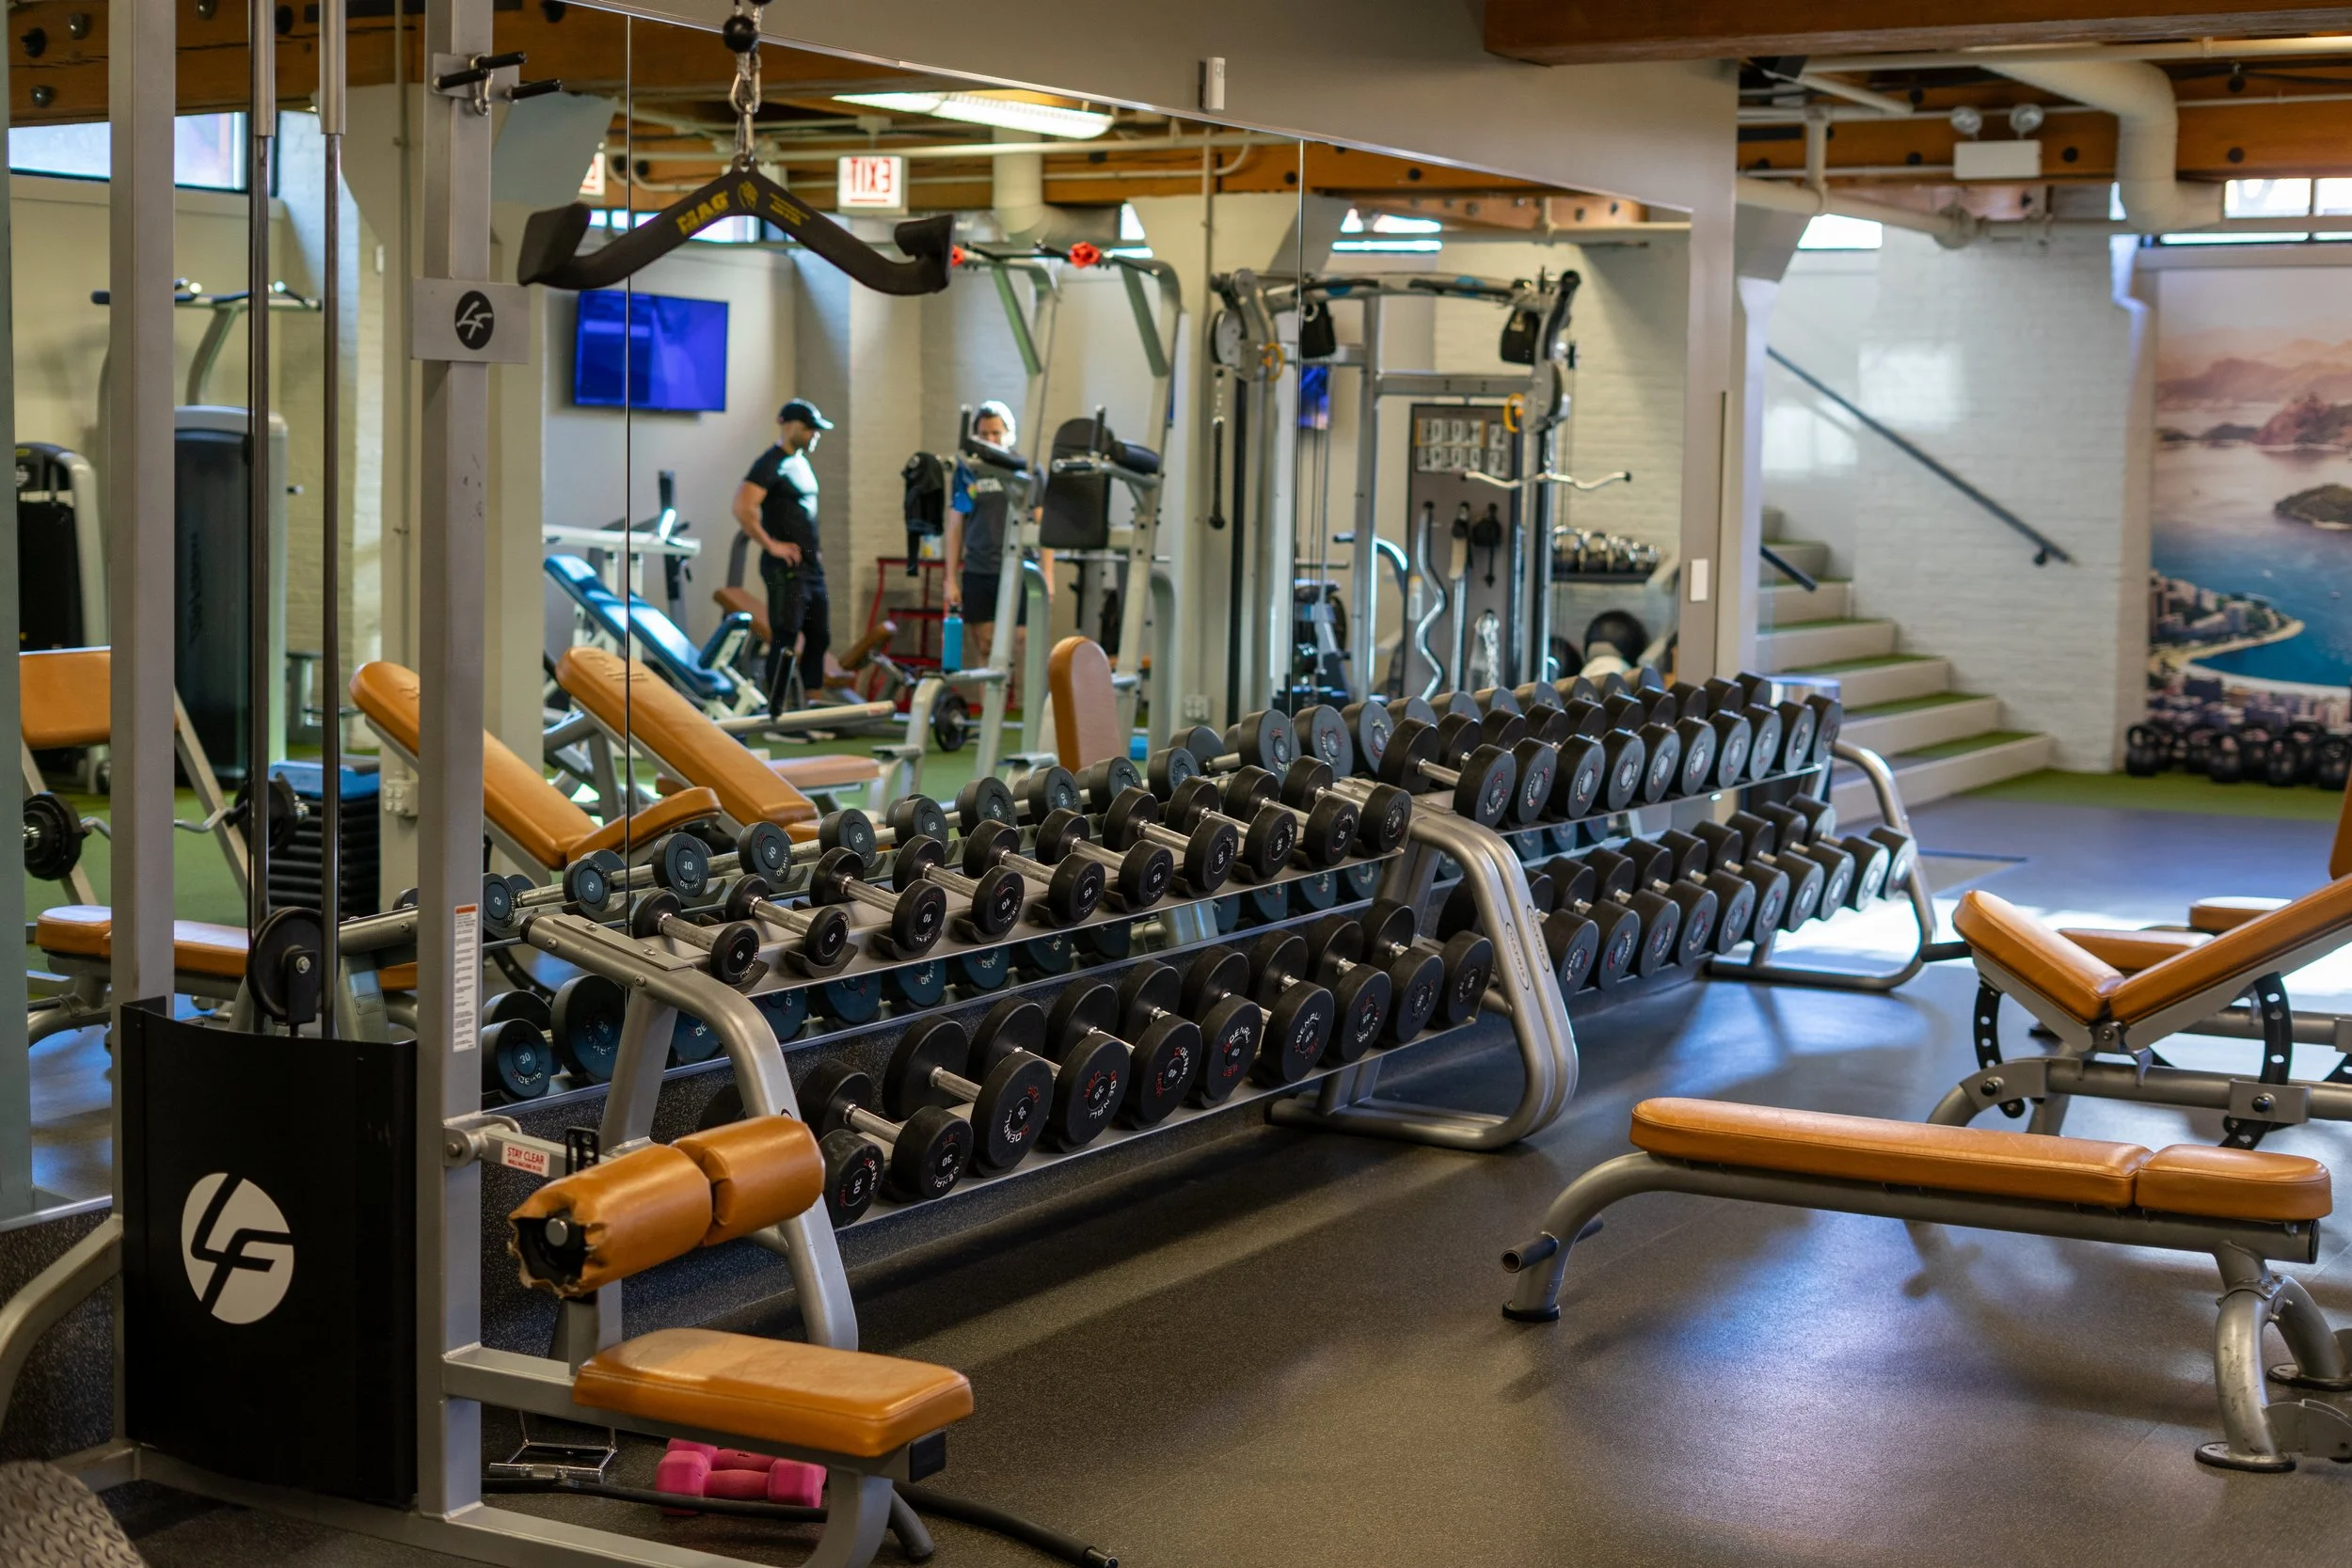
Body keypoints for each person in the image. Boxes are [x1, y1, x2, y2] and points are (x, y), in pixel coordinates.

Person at [944, 400, 1053, 692]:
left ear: (1009, 433)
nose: (990, 440)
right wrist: (950, 579)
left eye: (995, 433)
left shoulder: (1027, 470)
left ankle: (1015, 709)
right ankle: (990, 715)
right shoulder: (969, 471)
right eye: (983, 434)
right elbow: (955, 526)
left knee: (1019, 640)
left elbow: (1043, 528)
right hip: (980, 568)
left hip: (1020, 568)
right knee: (986, 643)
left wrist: (1049, 576)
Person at [733, 399, 833, 717]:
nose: (813, 435)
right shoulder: (769, 463)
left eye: (816, 430)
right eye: (808, 428)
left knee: (819, 635)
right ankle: (778, 712)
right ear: (786, 424)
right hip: (784, 568)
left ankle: (812, 707)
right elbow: (743, 508)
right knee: (786, 636)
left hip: (811, 568)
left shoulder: (801, 462)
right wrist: (772, 545)